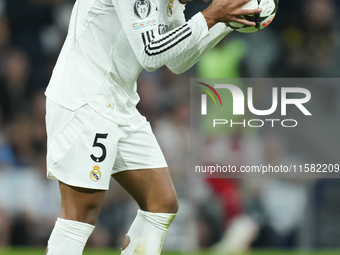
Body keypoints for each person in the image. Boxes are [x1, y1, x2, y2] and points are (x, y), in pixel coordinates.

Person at [44, 0, 261, 254]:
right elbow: (151, 53)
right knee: (81, 213)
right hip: (85, 100)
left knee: (161, 203)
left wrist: (224, 21)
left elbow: (178, 60)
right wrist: (210, 15)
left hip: (120, 103)